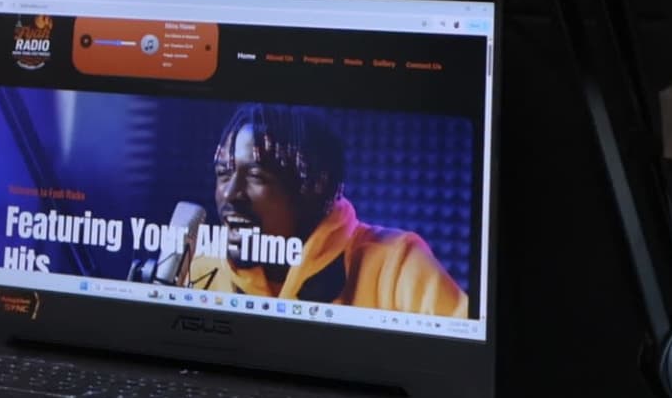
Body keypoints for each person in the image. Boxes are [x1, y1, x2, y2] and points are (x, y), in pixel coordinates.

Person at [170, 104, 468, 318]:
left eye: (257, 176)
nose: (230, 193)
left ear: (314, 183)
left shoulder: (397, 264)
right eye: (224, 173)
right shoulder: (198, 269)